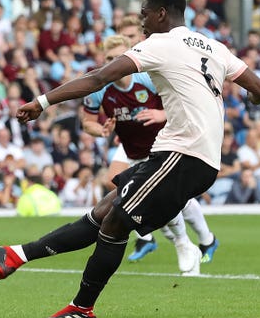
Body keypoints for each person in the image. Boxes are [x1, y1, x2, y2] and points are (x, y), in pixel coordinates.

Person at [0, 0, 260, 318]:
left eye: (144, 15)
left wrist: (42, 103)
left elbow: (99, 77)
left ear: (161, 14)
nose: (141, 24)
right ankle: (14, 256)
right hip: (189, 156)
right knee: (102, 212)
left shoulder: (160, 43)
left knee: (114, 224)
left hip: (183, 154)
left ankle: (82, 310)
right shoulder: (214, 46)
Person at [81, 32, 219, 274]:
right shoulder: (100, 87)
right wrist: (100, 130)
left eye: (119, 56)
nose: (115, 62)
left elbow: (184, 100)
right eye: (109, 58)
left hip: (165, 148)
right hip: (132, 150)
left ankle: (197, 241)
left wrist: (161, 114)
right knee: (149, 204)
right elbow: (87, 122)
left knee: (173, 202)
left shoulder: (147, 79)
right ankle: (180, 242)